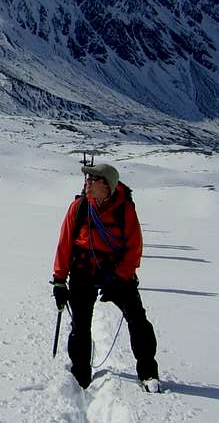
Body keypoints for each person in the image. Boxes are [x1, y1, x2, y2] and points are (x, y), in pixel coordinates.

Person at [51, 162, 160, 392]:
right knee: (80, 325)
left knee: (138, 320)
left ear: (107, 185)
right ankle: (80, 374)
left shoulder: (125, 210)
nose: (87, 183)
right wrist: (59, 280)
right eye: (87, 178)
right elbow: (65, 243)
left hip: (117, 274)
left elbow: (134, 249)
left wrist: (120, 278)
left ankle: (148, 372)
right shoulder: (79, 207)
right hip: (83, 271)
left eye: (93, 179)